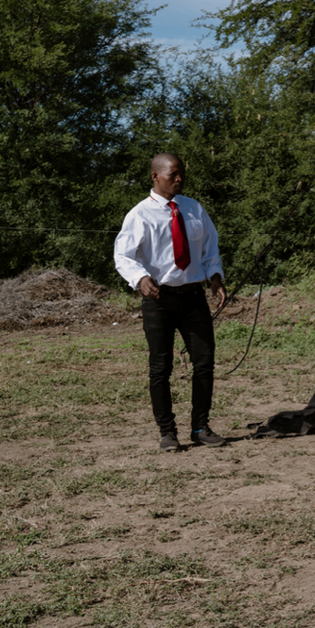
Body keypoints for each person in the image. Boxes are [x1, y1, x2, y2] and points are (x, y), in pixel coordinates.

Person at [113, 153, 229, 451]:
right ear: (155, 176)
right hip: (159, 300)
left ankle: (201, 427)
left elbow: (210, 246)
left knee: (204, 362)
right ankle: (167, 432)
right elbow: (123, 255)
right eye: (173, 174)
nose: (179, 179)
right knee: (160, 367)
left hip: (192, 297)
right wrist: (140, 278)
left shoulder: (193, 209)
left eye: (181, 174)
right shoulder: (140, 215)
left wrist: (214, 275)